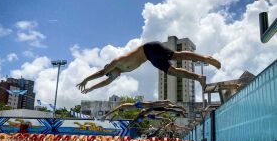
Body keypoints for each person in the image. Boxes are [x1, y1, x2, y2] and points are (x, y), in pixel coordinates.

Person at [77, 41, 221, 93]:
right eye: (113, 77)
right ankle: (199, 77)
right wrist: (91, 89)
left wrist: (86, 79)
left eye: (112, 74)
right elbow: (105, 82)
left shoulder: (117, 62)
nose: (115, 77)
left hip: (150, 49)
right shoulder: (120, 71)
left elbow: (102, 73)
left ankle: (205, 58)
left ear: (111, 69)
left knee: (176, 56)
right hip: (151, 59)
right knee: (173, 71)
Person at [101, 100, 186, 121]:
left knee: (154, 104)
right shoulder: (144, 114)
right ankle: (178, 110)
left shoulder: (122, 106)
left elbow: (114, 110)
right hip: (139, 106)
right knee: (156, 105)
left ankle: (165, 102)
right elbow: (116, 113)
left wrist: (106, 115)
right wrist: (110, 117)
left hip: (138, 104)